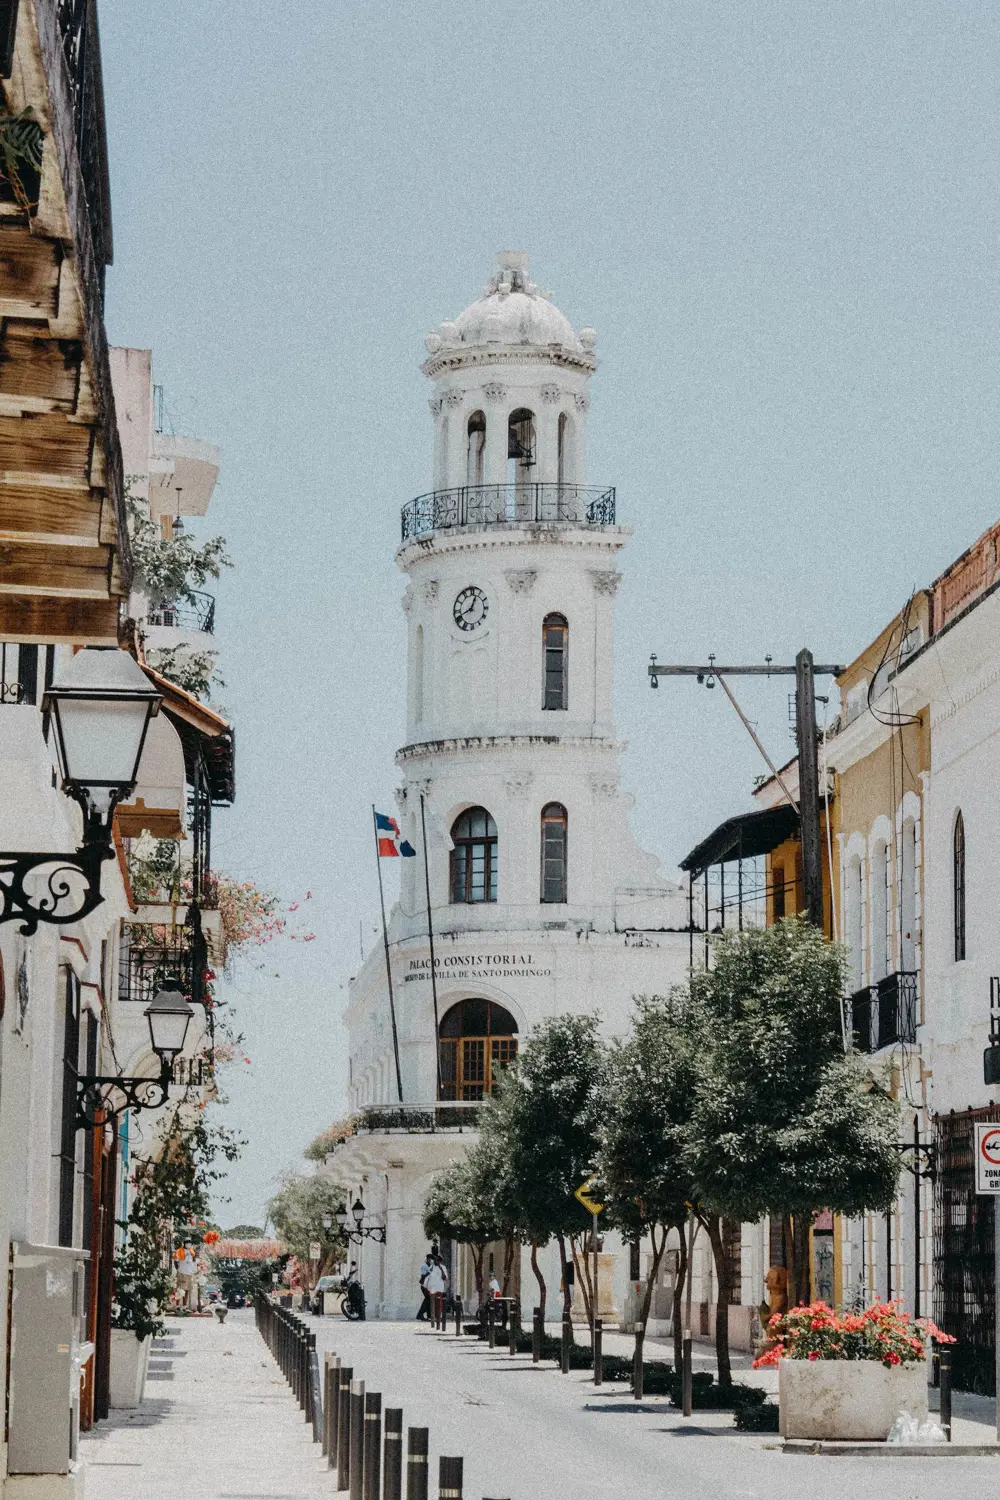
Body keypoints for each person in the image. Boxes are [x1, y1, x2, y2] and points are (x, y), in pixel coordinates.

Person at [424, 1254, 449, 1326]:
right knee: (432, 1303)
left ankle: (438, 1317)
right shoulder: (431, 1267)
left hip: (439, 1288)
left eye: (436, 1260)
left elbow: (444, 1278)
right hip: (431, 1288)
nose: (435, 1261)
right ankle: (432, 1318)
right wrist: (425, 1286)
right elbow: (427, 1276)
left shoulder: (443, 1268)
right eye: (434, 1259)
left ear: (439, 1261)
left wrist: (441, 1269)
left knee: (439, 1303)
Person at [416, 1251, 433, 1321]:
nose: (432, 1261)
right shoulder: (424, 1266)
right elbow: (423, 1277)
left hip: (430, 1286)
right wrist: (429, 1272)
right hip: (424, 1286)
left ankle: (429, 1315)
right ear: (428, 1259)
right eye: (431, 1259)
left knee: (429, 1300)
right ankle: (420, 1314)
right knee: (428, 1299)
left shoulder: (431, 1266)